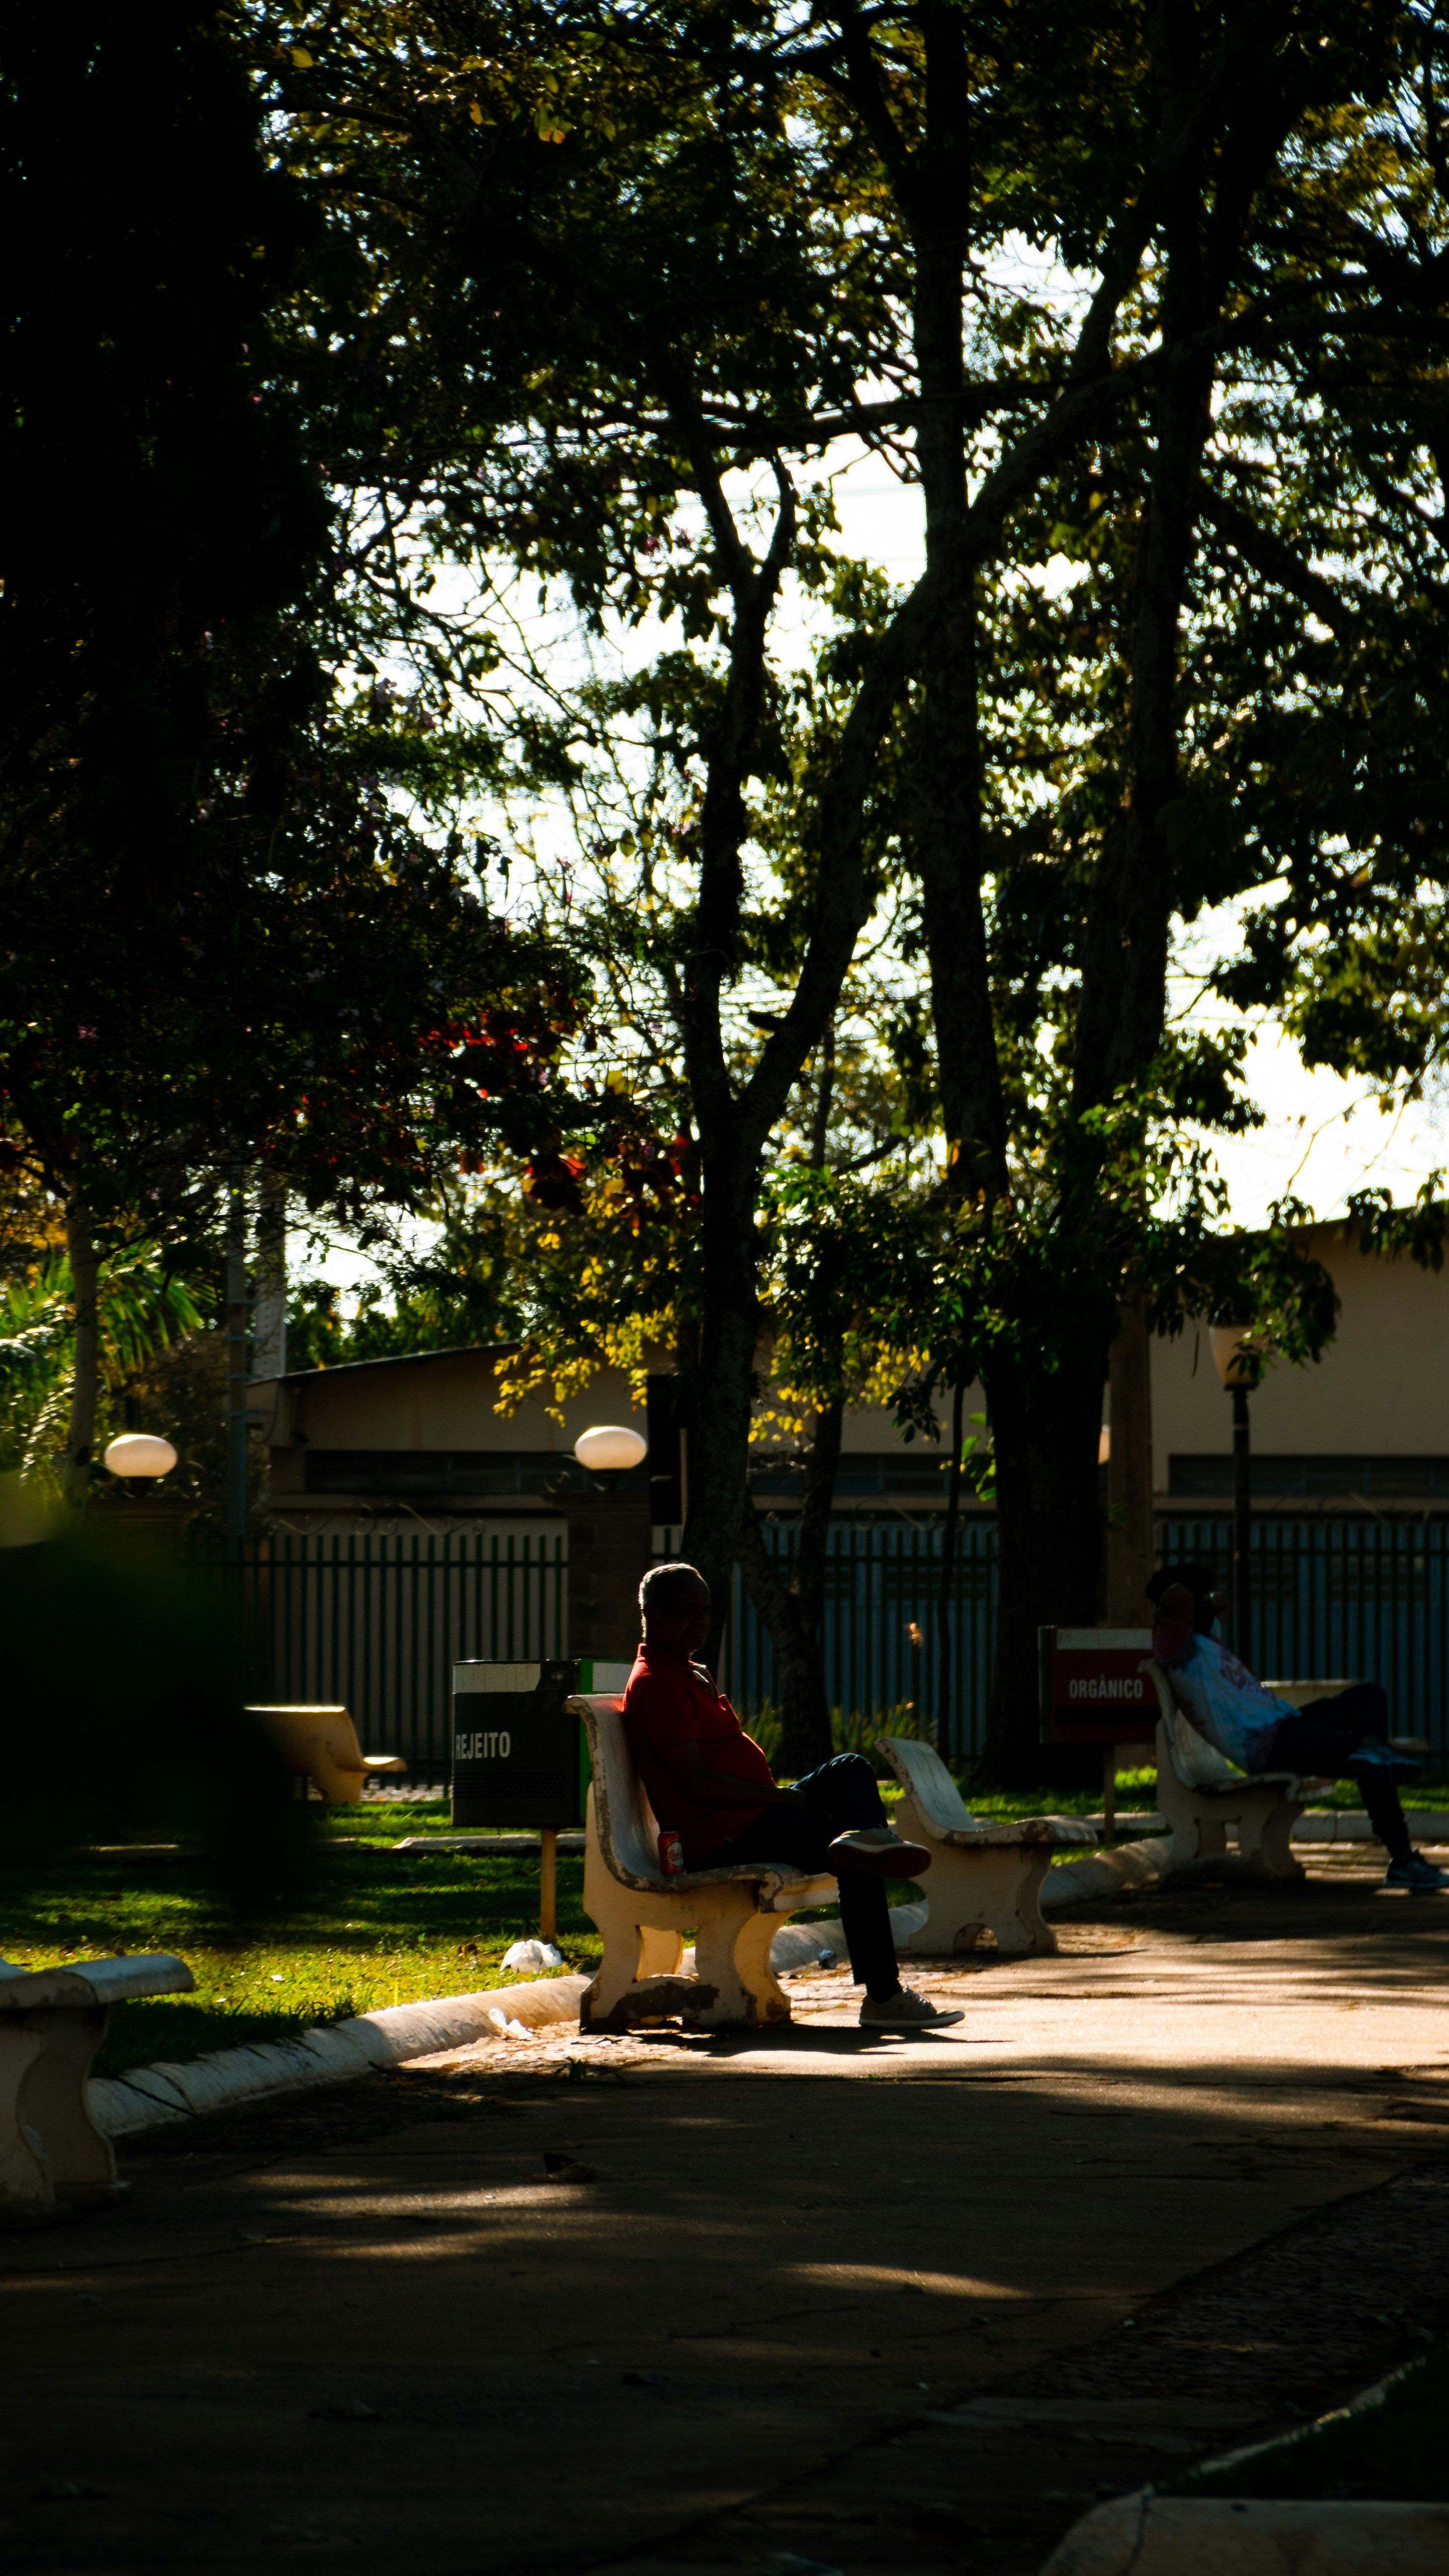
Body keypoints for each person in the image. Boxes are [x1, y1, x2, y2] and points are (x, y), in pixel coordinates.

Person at [622, 1561, 964, 2030]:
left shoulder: (688, 1671)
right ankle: (884, 1994)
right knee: (854, 1856)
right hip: (720, 1834)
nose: (700, 1620)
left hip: (750, 1815)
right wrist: (779, 1800)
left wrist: (774, 1799)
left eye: (706, 1610)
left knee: (851, 1771)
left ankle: (870, 1842)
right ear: (653, 1614)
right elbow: (693, 1784)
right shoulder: (659, 1683)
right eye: (687, 1611)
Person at [1146, 1561, 1447, 1892]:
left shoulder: (1204, 1638)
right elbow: (1179, 1596)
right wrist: (1188, 1594)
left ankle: (1374, 1752)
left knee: (1369, 1696)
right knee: (1369, 1766)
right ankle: (1403, 1859)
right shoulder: (1172, 1643)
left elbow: (1222, 1601)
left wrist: (1205, 1599)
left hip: (1288, 1725)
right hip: (1268, 1744)